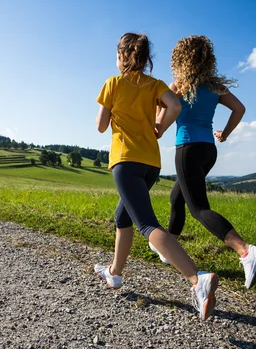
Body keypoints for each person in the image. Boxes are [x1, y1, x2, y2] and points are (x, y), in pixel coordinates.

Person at [93, 32, 219, 320]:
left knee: (147, 225)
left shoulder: (113, 83)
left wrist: (114, 114)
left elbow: (101, 126)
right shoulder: (156, 85)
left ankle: (197, 280)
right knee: (122, 217)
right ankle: (114, 273)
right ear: (146, 59)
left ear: (122, 56)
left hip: (125, 161)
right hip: (151, 164)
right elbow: (174, 105)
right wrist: (159, 128)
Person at [150, 35, 256, 290]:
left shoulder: (179, 86)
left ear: (181, 59)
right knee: (176, 197)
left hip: (187, 148)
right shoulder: (215, 86)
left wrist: (156, 125)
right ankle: (168, 246)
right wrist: (225, 134)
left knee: (199, 209)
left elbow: (161, 124)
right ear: (207, 60)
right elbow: (240, 109)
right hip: (208, 150)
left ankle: (246, 251)